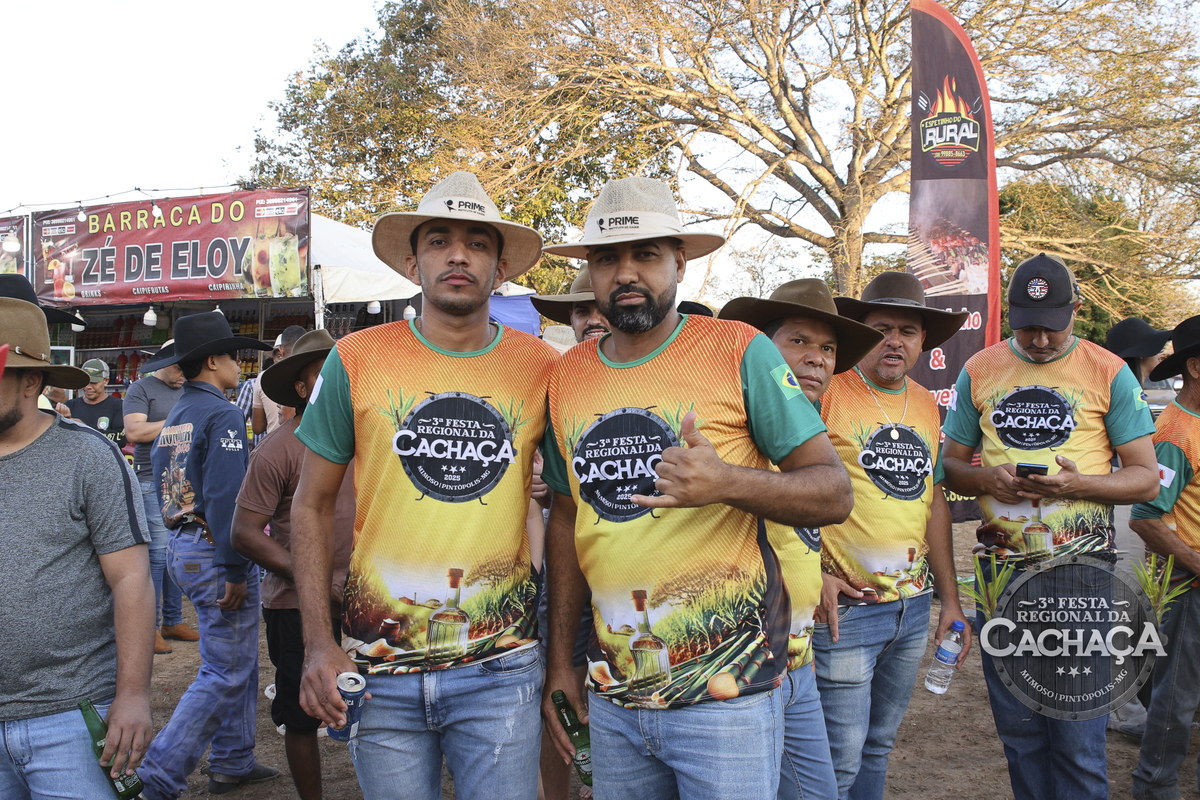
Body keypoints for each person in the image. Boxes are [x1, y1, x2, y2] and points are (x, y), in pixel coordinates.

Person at [539, 176, 853, 800]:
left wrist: (725, 481)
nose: (626, 273)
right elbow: (567, 519)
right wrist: (561, 664)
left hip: (728, 698)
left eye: (646, 254)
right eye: (606, 258)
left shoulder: (739, 351)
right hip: (615, 696)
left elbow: (833, 491)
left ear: (679, 262)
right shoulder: (568, 375)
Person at [292, 172, 556, 800]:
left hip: (500, 665)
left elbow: (573, 506)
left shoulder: (543, 367)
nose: (458, 255)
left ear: (500, 268)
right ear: (413, 263)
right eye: (439, 241)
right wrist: (318, 643)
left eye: (477, 243)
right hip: (379, 663)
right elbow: (310, 505)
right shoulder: (355, 358)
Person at [942, 253, 1159, 800]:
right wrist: (986, 478)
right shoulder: (981, 369)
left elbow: (1144, 480)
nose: (1039, 340)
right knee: (1020, 736)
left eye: (1052, 328)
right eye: (1027, 327)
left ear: (1076, 310)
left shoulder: (1108, 371)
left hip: (1081, 577)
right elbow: (950, 467)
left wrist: (1076, 486)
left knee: (1077, 740)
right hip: (1001, 577)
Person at [779, 271, 970, 800]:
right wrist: (813, 572)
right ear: (863, 334)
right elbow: (785, 485)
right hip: (847, 610)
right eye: (882, 329)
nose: (894, 341)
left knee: (879, 745)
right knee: (837, 763)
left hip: (912, 607)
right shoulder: (825, 391)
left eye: (907, 331)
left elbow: (933, 502)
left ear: (923, 341)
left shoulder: (925, 403)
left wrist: (950, 601)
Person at [720, 278, 884, 800]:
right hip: (742, 665)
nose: (817, 358)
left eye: (828, 348)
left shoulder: (811, 432)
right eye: (798, 341)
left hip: (798, 657)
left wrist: (819, 573)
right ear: (759, 349)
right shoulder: (734, 429)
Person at [0, 297, 154, 797]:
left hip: (70, 715)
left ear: (31, 382)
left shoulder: (87, 457)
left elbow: (131, 578)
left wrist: (133, 694)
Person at [137, 312, 279, 798]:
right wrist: (235, 568)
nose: (241, 364)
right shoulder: (221, 414)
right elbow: (225, 497)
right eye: (234, 356)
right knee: (226, 668)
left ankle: (233, 759)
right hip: (214, 548)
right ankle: (158, 774)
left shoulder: (178, 413)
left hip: (185, 544)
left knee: (234, 658)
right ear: (213, 361)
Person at [230, 329, 356, 800]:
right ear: (302, 389)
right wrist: (316, 579)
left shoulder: (370, 440)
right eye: (324, 374)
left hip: (368, 600)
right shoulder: (278, 449)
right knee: (302, 715)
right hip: (295, 606)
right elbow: (244, 533)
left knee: (383, 706)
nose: (337, 381)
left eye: (343, 372)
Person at [531, 268, 612, 800]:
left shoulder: (656, 372)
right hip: (566, 564)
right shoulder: (556, 379)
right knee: (558, 691)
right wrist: (537, 485)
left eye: (599, 308)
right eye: (581, 311)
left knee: (617, 687)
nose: (592, 320)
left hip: (629, 568)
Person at [1129, 315, 1200, 800]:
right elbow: (1146, 518)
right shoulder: (1176, 434)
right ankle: (1155, 787)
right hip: (1188, 591)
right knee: (1175, 701)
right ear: (1195, 367)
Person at [124, 340, 198, 655]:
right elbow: (134, 432)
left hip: (181, 481)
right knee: (156, 554)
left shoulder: (187, 389)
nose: (183, 373)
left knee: (174, 552)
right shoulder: (140, 389)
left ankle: (172, 619)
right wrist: (177, 424)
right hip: (150, 479)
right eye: (178, 367)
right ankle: (150, 627)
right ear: (164, 363)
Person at [254, 326, 307, 436]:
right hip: (309, 440)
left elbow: (258, 427)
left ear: (281, 350)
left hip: (276, 440)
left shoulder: (264, 377)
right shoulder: (313, 374)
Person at [64, 359, 126, 448]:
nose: (88, 387)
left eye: (94, 383)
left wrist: (85, 428)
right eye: (85, 382)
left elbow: (121, 439)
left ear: (106, 381)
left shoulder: (118, 406)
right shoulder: (70, 406)